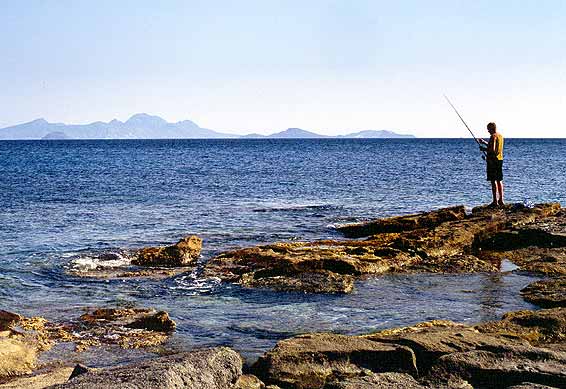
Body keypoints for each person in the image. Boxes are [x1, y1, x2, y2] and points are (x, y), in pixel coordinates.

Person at [478, 122, 504, 207]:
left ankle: (495, 201)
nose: (488, 131)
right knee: (499, 180)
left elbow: (492, 150)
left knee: (493, 181)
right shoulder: (500, 136)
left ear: (492, 128)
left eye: (488, 129)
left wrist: (484, 149)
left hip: (492, 161)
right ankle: (501, 200)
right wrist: (484, 142)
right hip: (499, 160)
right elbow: (495, 147)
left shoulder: (493, 136)